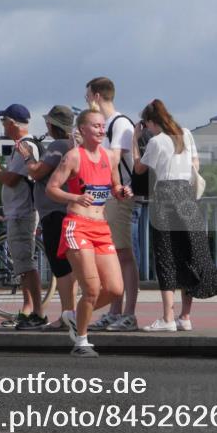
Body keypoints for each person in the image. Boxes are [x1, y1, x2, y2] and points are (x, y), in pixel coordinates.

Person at [131, 99, 217, 332]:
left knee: (166, 256)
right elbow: (196, 164)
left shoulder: (155, 141)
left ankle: (167, 318)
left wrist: (135, 139)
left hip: (164, 195)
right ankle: (185, 316)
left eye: (147, 124)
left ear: (152, 122)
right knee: (188, 254)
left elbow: (139, 168)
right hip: (186, 196)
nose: (147, 128)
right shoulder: (185, 134)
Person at [45, 109, 130, 356]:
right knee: (91, 288)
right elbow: (52, 188)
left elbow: (114, 185)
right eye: (95, 126)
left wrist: (121, 191)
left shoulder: (109, 157)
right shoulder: (73, 156)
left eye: (103, 126)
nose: (101, 130)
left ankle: (73, 315)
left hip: (101, 227)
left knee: (115, 289)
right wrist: (76, 197)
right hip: (77, 224)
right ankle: (81, 341)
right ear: (82, 130)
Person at [85, 77, 140, 332]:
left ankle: (128, 313)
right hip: (105, 198)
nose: (86, 101)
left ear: (96, 96)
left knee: (123, 254)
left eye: (87, 96)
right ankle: (116, 310)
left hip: (119, 196)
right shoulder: (105, 126)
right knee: (112, 255)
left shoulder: (120, 124)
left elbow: (113, 160)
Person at [15, 105, 76, 330]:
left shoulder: (59, 145)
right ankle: (70, 313)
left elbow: (38, 171)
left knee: (60, 267)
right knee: (68, 266)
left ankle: (67, 315)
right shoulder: (73, 144)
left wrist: (27, 156)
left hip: (55, 212)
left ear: (53, 125)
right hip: (64, 211)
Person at [0, 104, 46, 330]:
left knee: (26, 263)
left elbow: (12, 179)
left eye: (4, 121)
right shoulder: (22, 146)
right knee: (23, 264)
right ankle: (29, 308)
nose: (2, 125)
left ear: (12, 123)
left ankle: (38, 313)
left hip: (23, 212)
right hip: (21, 211)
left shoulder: (25, 146)